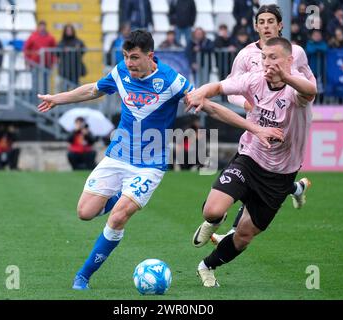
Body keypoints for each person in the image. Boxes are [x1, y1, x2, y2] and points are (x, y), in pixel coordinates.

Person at [37, 30, 196, 291]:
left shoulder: (172, 80)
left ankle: (83, 276)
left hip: (150, 164)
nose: (129, 62)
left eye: (134, 57)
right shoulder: (121, 71)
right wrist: (57, 99)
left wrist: (253, 127)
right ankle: (120, 194)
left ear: (150, 56)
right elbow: (93, 90)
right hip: (118, 155)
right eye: (125, 56)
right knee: (84, 213)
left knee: (118, 217)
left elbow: (202, 101)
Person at [186, 37, 317, 287]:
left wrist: (286, 76)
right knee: (212, 209)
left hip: (281, 174)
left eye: (274, 58)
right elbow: (220, 87)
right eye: (265, 57)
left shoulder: (295, 90)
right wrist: (201, 92)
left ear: (289, 61)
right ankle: (214, 221)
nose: (267, 63)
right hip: (251, 158)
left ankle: (207, 266)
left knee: (244, 236)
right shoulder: (255, 78)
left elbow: (310, 91)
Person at [211, 4, 315, 245]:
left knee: (270, 177)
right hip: (256, 130)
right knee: (250, 175)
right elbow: (230, 90)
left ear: (280, 25)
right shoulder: (245, 55)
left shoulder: (296, 52)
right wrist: (248, 105)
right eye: (262, 22)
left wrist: (303, 104)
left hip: (284, 127)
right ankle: (216, 220)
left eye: (271, 21)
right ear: (256, 26)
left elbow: (310, 81)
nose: (266, 26)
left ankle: (230, 229)